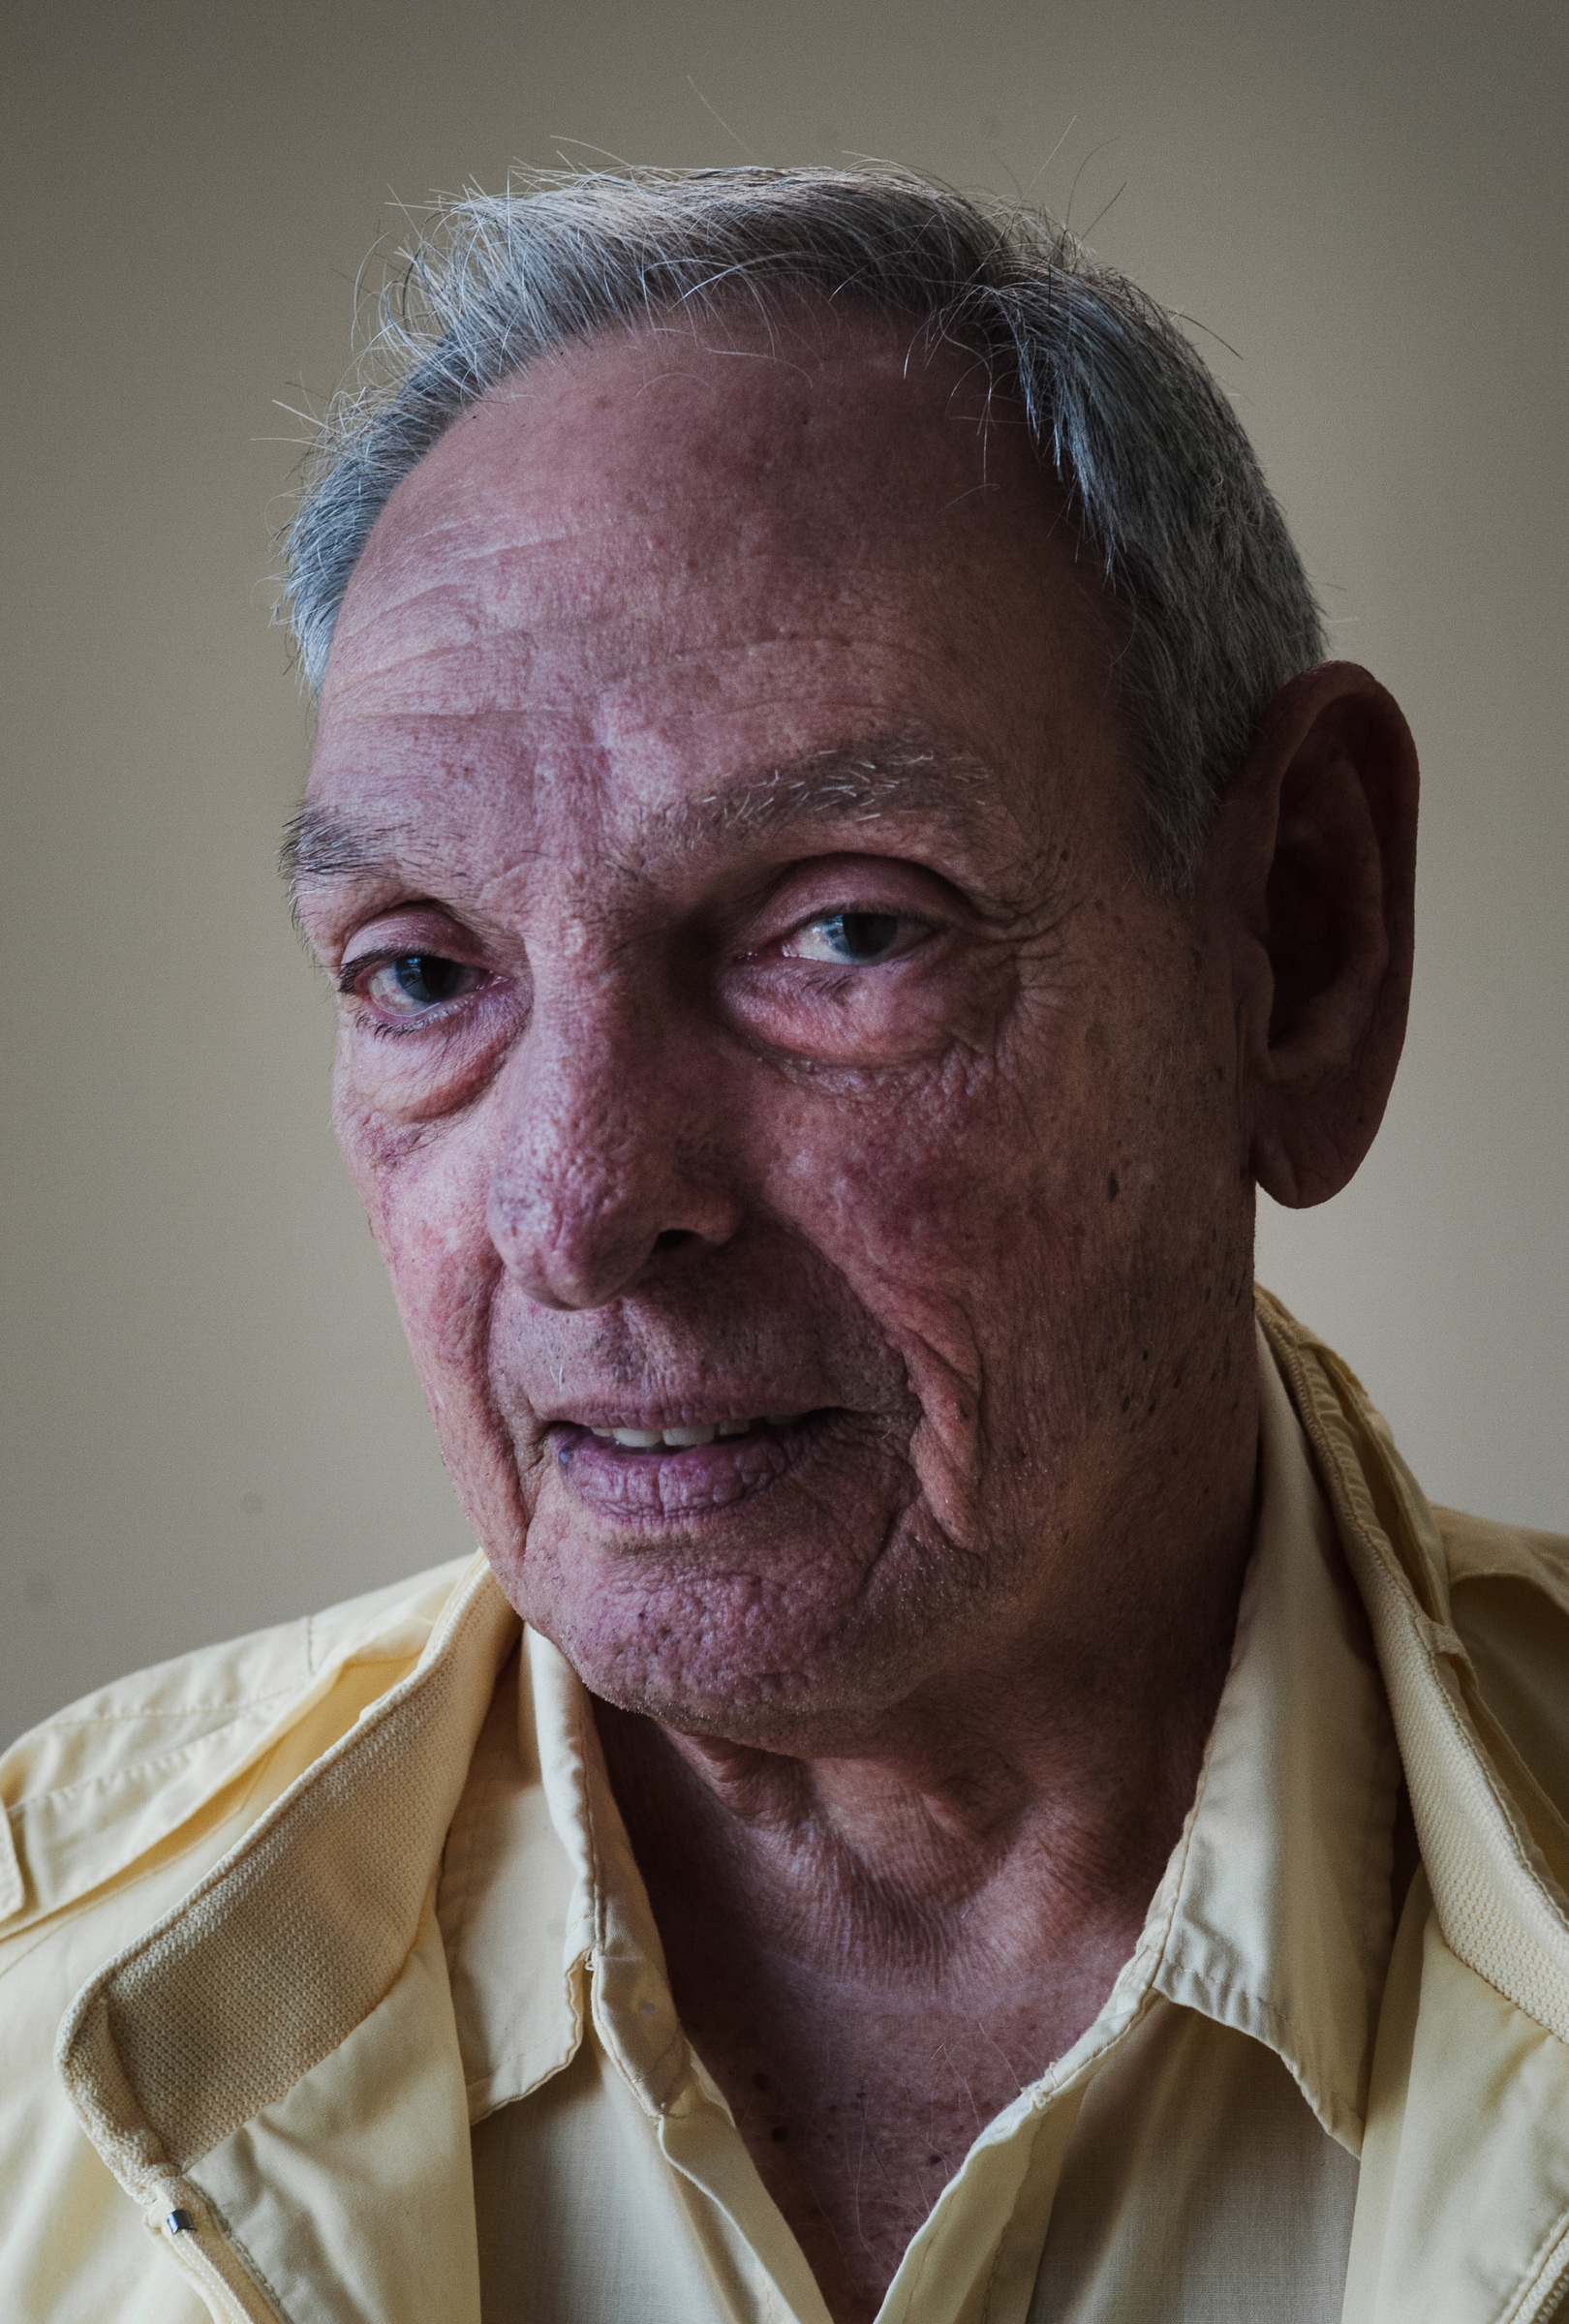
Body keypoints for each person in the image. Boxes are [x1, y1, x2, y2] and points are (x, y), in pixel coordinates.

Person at [3, 166, 1567, 2324]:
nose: (573, 1216)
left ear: (1300, 942)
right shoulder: (36, 1982)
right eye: (425, 974)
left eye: (842, 932)